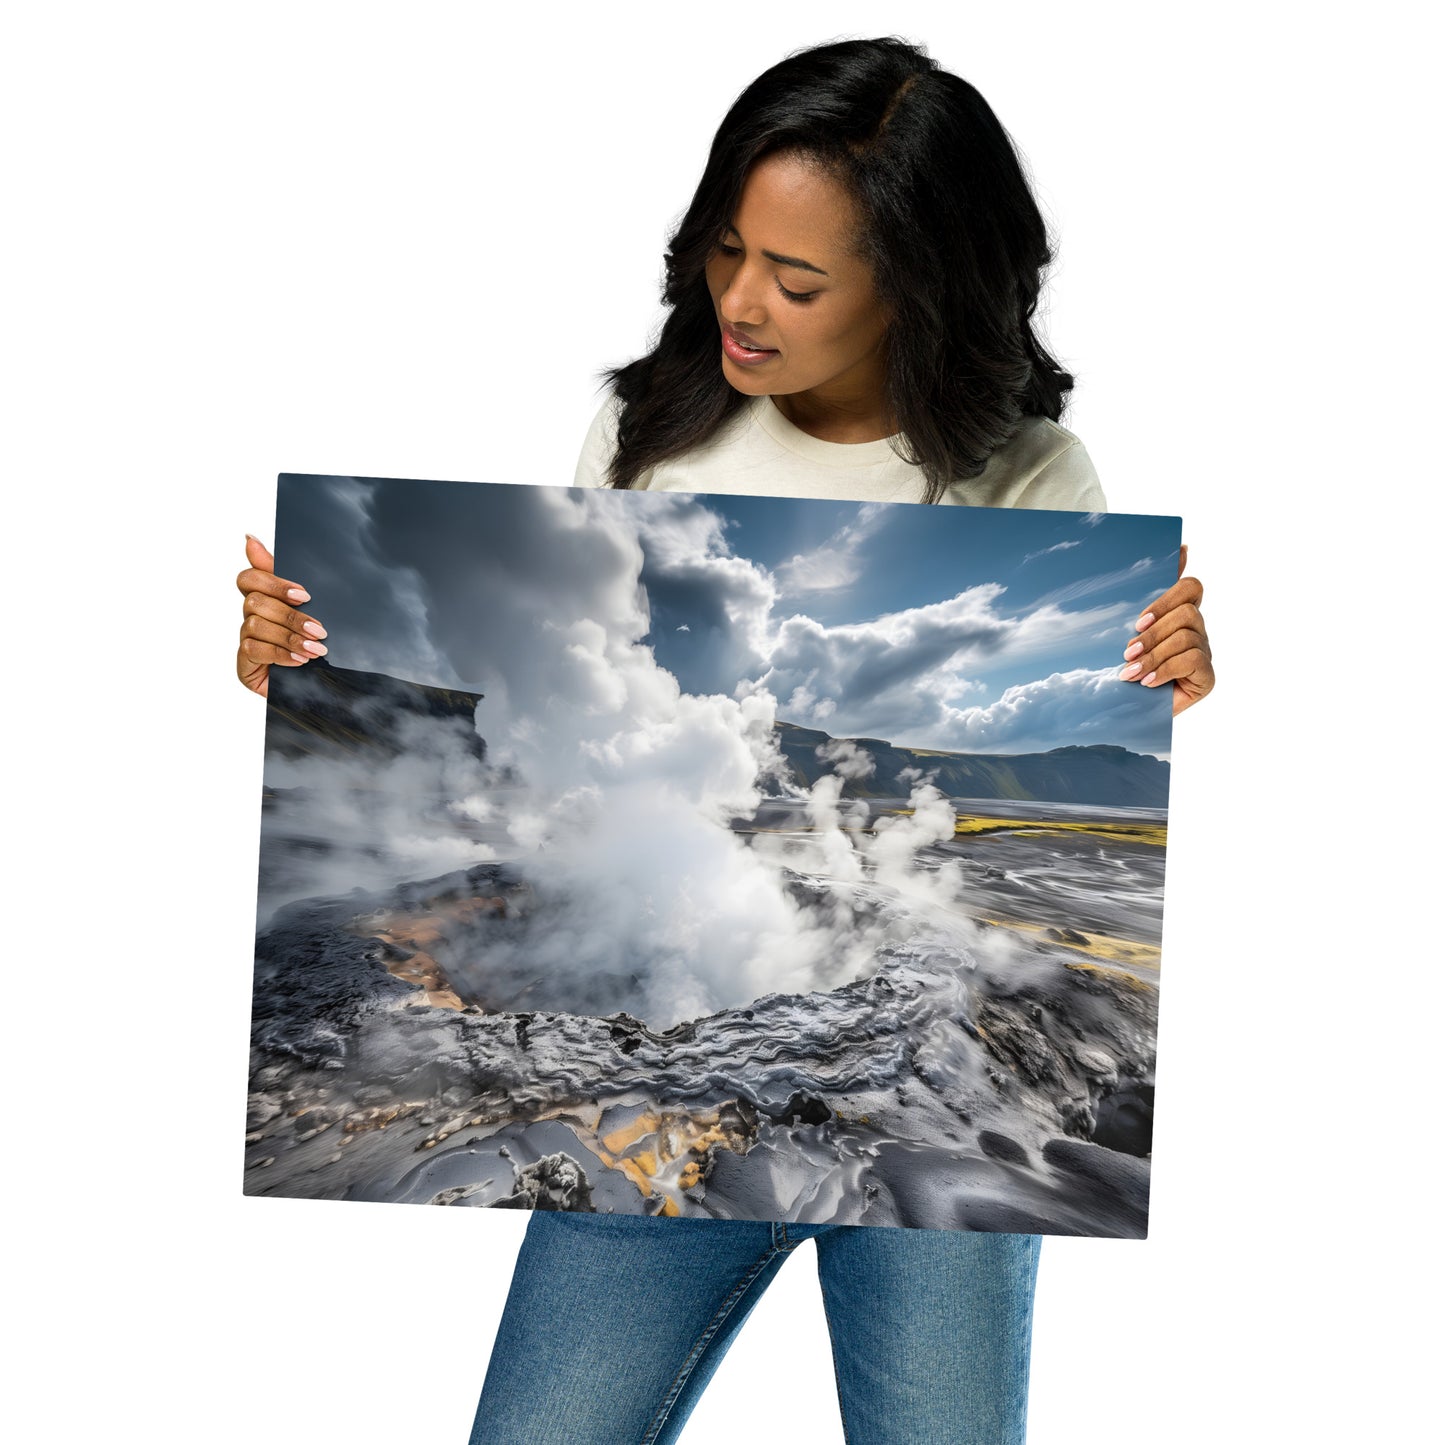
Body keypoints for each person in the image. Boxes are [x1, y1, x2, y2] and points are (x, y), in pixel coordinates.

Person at [235, 36, 1214, 1444]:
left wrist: (1172, 674)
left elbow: (1127, 691)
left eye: (798, 279)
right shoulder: (645, 433)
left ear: (917, 289)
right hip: (653, 1106)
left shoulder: (1031, 475)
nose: (741, 302)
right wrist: (286, 663)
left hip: (925, 1145)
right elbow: (549, 740)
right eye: (723, 250)